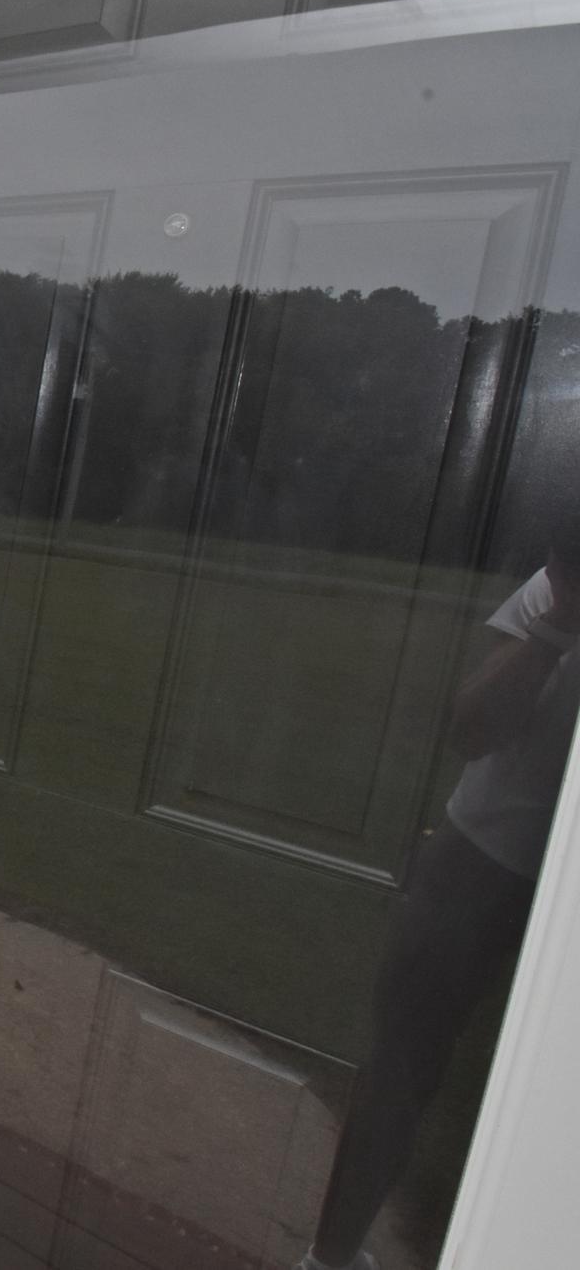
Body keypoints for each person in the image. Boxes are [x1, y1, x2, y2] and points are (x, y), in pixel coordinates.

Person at [297, 533, 580, 1270]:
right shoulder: (558, 588)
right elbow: (472, 728)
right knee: (403, 1067)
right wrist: (557, 625)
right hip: (481, 857)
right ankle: (330, 1259)